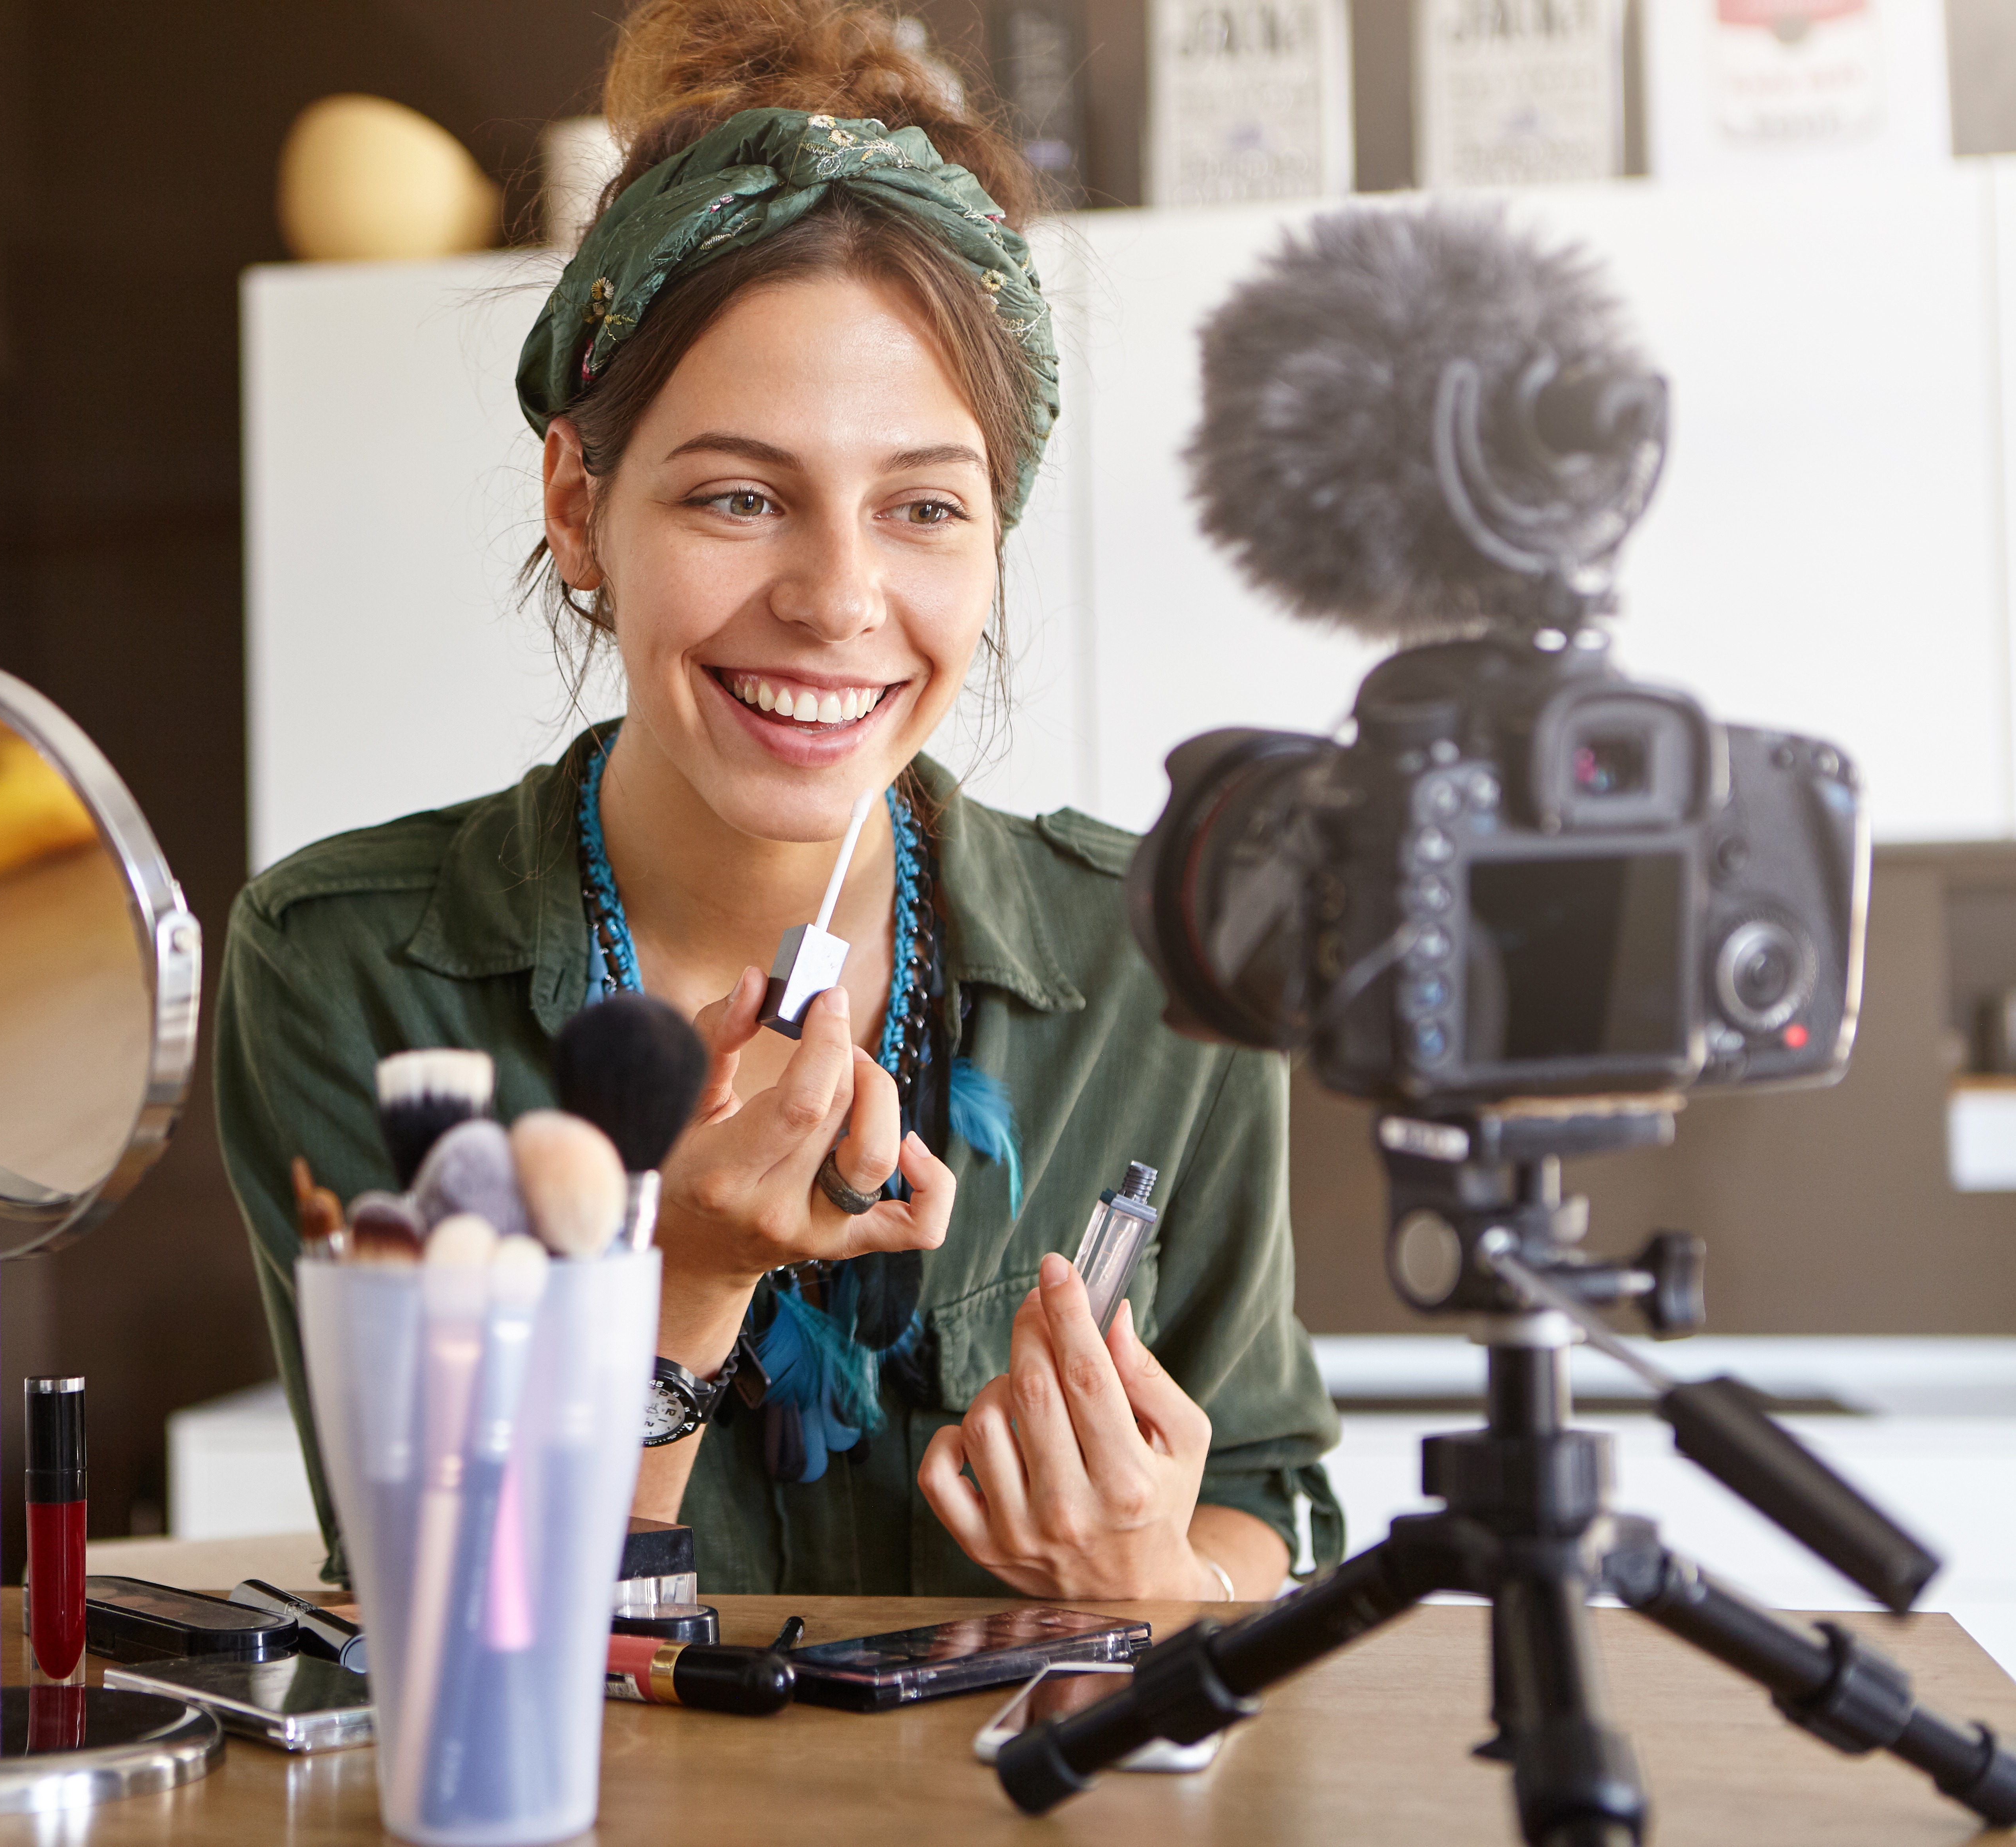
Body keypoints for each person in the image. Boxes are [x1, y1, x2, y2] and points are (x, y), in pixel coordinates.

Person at [217, 0, 1341, 1600]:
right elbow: (441, 1611)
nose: (838, 598)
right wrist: (678, 1295)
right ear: (580, 506)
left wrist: (1156, 1573)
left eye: (925, 507)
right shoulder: (348, 969)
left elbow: (1271, 1500)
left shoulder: (1165, 964)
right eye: (740, 497)